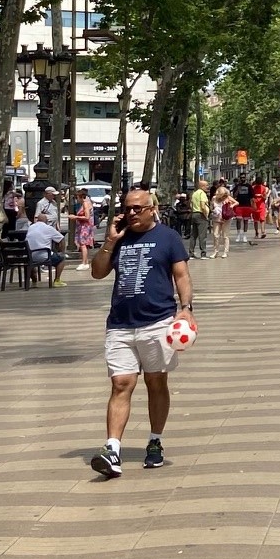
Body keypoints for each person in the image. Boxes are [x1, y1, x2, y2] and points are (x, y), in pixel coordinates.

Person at [89, 187, 193, 477]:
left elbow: (182, 275)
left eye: (138, 208)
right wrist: (110, 241)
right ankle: (112, 450)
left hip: (157, 322)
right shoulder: (119, 239)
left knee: (156, 382)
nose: (132, 213)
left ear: (151, 209)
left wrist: (185, 308)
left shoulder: (168, 237)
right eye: (127, 208)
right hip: (120, 324)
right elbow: (97, 272)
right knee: (121, 384)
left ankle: (155, 440)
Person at [25, 213, 66, 285]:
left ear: (37, 220)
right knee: (61, 259)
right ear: (46, 221)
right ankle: (57, 280)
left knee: (31, 261)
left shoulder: (31, 227)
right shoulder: (48, 228)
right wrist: (62, 251)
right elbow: (61, 239)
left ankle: (34, 280)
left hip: (30, 255)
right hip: (44, 255)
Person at [186, 180, 209, 260]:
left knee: (193, 235)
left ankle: (191, 253)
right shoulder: (202, 194)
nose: (207, 187)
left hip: (194, 214)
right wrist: (205, 214)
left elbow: (191, 204)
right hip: (201, 214)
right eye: (206, 185)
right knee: (202, 235)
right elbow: (202, 206)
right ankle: (203, 253)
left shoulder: (194, 193)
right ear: (202, 186)